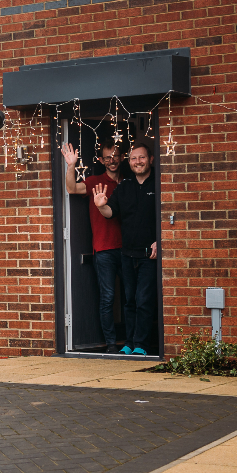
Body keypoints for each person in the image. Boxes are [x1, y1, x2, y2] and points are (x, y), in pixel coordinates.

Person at [92, 142, 157, 356]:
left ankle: (142, 345)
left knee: (144, 301)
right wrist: (101, 205)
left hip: (150, 254)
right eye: (134, 159)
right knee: (129, 301)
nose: (138, 162)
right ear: (129, 163)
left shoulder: (159, 183)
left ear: (151, 160)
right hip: (127, 253)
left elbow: (168, 216)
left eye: (141, 158)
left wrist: (160, 240)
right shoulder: (125, 186)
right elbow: (111, 213)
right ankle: (129, 343)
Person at [61, 139, 124, 353]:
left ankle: (134, 344)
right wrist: (71, 165)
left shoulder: (129, 182)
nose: (112, 160)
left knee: (132, 298)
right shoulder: (95, 181)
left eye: (115, 156)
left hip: (128, 249)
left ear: (122, 157)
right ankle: (112, 344)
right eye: (107, 157)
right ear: (101, 160)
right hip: (104, 249)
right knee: (107, 299)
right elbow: (70, 188)